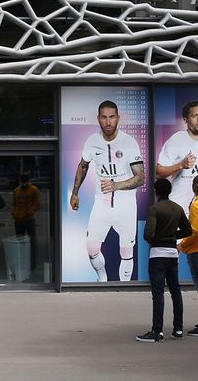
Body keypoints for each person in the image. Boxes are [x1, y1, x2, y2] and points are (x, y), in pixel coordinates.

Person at [70, 100, 145, 281]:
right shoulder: (92, 141)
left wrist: (116, 185)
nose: (108, 121)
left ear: (118, 118)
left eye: (112, 117)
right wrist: (75, 193)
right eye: (104, 117)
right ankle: (102, 278)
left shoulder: (129, 142)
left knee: (126, 251)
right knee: (92, 249)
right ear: (98, 119)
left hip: (126, 205)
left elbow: (141, 177)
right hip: (101, 203)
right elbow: (83, 166)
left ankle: (124, 288)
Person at [135, 178, 191, 342]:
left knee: (158, 293)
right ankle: (178, 329)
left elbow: (147, 234)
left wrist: (157, 240)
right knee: (176, 291)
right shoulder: (177, 208)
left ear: (156, 191)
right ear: (170, 191)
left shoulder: (155, 208)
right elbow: (187, 230)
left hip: (158, 254)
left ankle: (157, 331)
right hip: (173, 254)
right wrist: (173, 237)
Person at [156, 100, 198, 215]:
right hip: (180, 208)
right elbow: (159, 173)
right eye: (194, 116)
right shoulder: (176, 140)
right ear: (185, 120)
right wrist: (181, 165)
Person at [180, 174, 198, 337]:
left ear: (196, 186)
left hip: (197, 251)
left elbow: (196, 231)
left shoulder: (197, 205)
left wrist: (181, 245)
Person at [11, 173, 41, 270]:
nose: (24, 184)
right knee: (20, 242)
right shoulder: (16, 191)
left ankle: (32, 263)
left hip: (29, 219)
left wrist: (29, 213)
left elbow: (37, 203)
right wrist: (14, 214)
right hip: (19, 219)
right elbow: (14, 204)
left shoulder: (33, 190)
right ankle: (21, 262)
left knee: (31, 242)